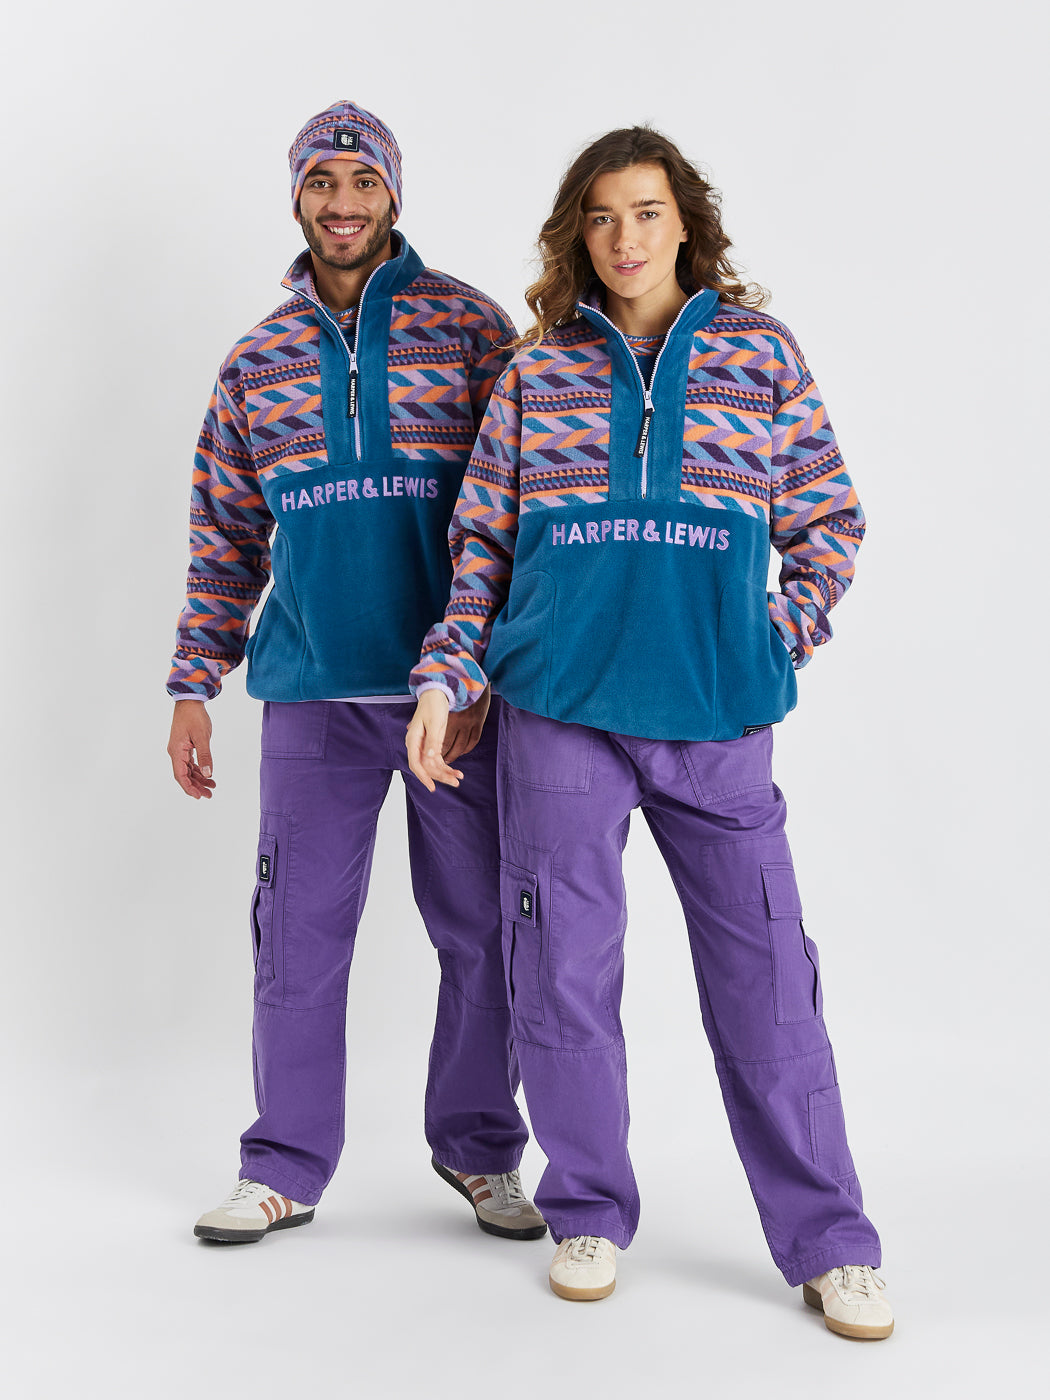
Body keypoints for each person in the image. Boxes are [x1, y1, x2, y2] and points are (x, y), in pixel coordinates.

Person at [406, 126, 892, 1338]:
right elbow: (481, 549)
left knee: (769, 980)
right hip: (559, 714)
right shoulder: (538, 373)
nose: (624, 237)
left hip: (715, 721)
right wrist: (445, 676)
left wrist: (775, 638)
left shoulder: (758, 356)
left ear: (687, 224)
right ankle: (588, 1209)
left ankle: (831, 1241)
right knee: (561, 973)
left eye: (648, 212)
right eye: (602, 215)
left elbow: (830, 520)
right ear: (578, 233)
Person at [166, 99, 544, 1247]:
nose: (343, 204)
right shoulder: (258, 361)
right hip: (313, 692)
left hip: (453, 700)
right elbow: (226, 534)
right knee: (296, 934)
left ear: (393, 193)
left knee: (482, 930)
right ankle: (283, 1161)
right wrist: (193, 682)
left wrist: (486, 669)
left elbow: (523, 507)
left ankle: (479, 1146)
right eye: (322, 184)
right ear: (297, 197)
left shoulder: (473, 329)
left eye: (363, 183)